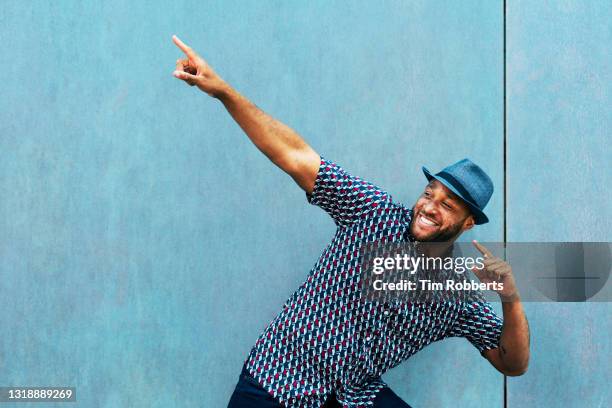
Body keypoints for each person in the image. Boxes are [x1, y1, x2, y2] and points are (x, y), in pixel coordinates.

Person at [171, 34, 530, 407]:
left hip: (351, 396)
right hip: (279, 380)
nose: (428, 207)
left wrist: (510, 299)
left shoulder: (456, 294)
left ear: (467, 223)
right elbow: (294, 155)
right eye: (429, 194)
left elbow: (511, 362)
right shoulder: (371, 213)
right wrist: (223, 92)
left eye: (448, 205)